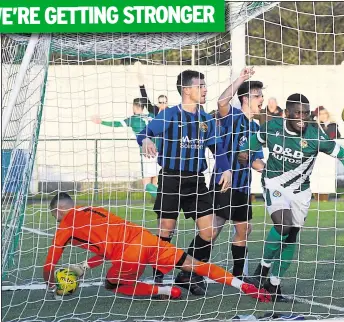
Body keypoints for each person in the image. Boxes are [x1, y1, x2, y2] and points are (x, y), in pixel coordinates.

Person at [238, 93, 344, 302]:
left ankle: (274, 284)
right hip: (274, 183)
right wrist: (244, 152)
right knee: (283, 224)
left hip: (301, 191)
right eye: (298, 113)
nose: (302, 117)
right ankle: (261, 269)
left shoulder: (315, 134)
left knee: (290, 238)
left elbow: (343, 155)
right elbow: (254, 143)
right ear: (287, 113)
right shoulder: (271, 127)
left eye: (306, 113)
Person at [44, 193, 270, 302]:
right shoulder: (94, 209)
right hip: (147, 240)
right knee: (195, 265)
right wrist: (84, 265)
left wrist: (51, 284)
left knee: (112, 285)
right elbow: (104, 248)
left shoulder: (64, 228)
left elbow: (49, 265)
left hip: (129, 254)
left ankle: (165, 291)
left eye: (55, 216)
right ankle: (243, 286)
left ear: (59, 212)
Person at [136, 69, 232, 296]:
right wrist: (147, 139)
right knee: (166, 229)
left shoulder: (206, 119)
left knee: (208, 231)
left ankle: (187, 273)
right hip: (171, 179)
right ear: (187, 90)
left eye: (205, 85)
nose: (205, 89)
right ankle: (158, 279)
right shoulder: (169, 114)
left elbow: (217, 148)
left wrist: (226, 168)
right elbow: (144, 133)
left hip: (196, 181)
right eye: (200, 86)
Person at [213, 67, 266, 278]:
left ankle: (238, 277)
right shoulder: (233, 116)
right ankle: (191, 273)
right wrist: (241, 78)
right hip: (225, 183)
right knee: (212, 230)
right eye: (258, 95)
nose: (262, 99)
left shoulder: (255, 127)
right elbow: (221, 102)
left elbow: (255, 160)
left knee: (244, 230)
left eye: (262, 95)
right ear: (245, 98)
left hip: (243, 186)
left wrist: (274, 170)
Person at [91, 97, 160, 198]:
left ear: (134, 106)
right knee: (155, 179)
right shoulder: (152, 116)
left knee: (146, 182)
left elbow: (117, 124)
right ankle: (159, 202)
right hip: (158, 150)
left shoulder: (133, 119)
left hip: (146, 152)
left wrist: (101, 122)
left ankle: (160, 200)